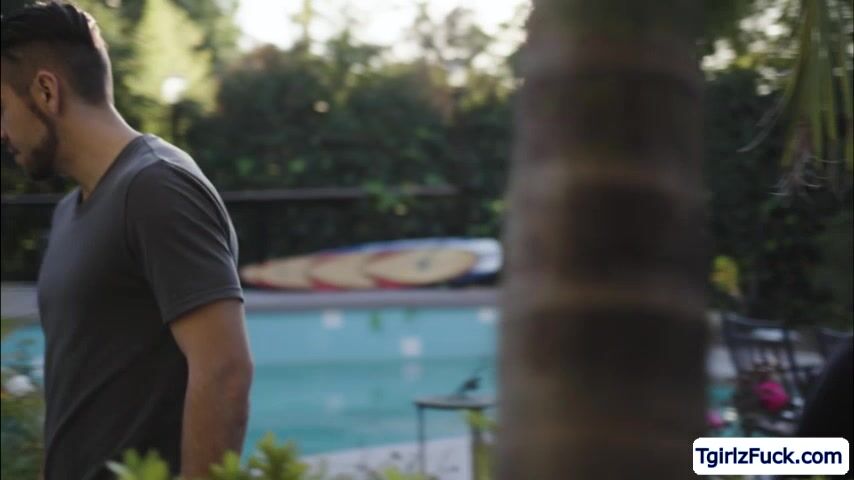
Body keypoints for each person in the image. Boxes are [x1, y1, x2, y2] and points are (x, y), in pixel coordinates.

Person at [0, 2, 253, 479]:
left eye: (2, 108)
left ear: (46, 91)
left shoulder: (157, 187)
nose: (1, 131)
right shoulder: (69, 211)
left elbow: (225, 373)